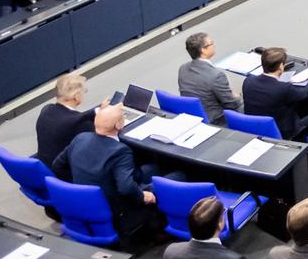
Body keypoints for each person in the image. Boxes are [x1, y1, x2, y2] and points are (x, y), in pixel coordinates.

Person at [53, 104, 158, 235]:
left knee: (153, 168)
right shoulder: (120, 151)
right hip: (117, 212)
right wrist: (142, 196)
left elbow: (57, 165)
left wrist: (79, 185)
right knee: (171, 180)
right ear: (118, 125)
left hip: (85, 203)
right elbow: (126, 188)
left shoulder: (80, 138)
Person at [241, 47, 308, 138]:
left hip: (254, 128)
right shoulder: (284, 88)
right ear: (281, 66)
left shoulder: (248, 81)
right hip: (282, 131)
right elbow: (307, 92)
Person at [177, 36, 240, 124]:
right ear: (203, 50)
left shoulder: (183, 68)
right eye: (211, 43)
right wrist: (237, 97)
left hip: (194, 116)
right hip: (216, 119)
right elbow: (231, 104)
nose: (214, 45)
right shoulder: (216, 75)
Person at [36, 72, 94, 166]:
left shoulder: (46, 110)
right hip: (67, 175)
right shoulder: (82, 124)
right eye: (84, 91)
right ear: (76, 96)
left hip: (46, 166)